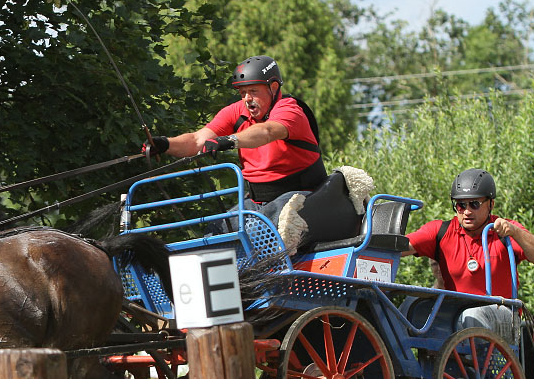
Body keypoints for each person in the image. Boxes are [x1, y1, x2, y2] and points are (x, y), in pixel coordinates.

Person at [142, 55, 369, 251]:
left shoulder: (289, 109)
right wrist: (165, 144)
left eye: (253, 91)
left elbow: (268, 131)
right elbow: (196, 140)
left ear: (273, 87)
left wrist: (227, 141)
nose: (247, 99)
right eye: (242, 93)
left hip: (304, 198)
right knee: (216, 233)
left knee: (257, 230)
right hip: (258, 201)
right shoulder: (237, 111)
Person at [404, 168, 534, 339]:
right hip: (456, 313)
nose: (467, 211)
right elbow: (400, 246)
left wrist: (516, 233)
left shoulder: (504, 230)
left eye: (474, 204)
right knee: (409, 307)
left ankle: (475, 364)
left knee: (472, 316)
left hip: (502, 314)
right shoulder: (441, 231)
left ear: (491, 204)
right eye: (460, 205)